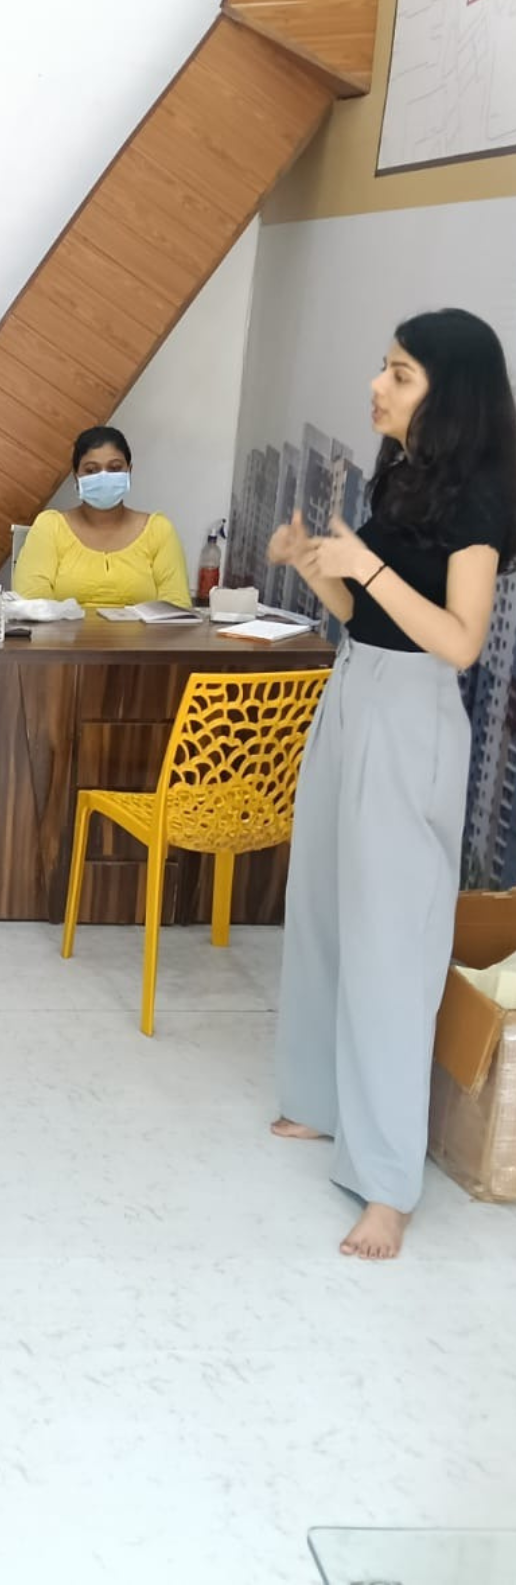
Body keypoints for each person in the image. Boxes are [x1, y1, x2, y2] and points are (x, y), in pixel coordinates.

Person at [268, 307, 516, 1261]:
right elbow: (363, 614)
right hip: (355, 690)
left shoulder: (482, 501)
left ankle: (387, 1185)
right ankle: (320, 1101)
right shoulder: (404, 474)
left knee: (390, 943)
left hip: (413, 717)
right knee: (325, 906)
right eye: (384, 367)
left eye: (400, 373)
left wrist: (363, 561)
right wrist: (312, 565)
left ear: (450, 393)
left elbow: (457, 641)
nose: (378, 384)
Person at [12, 426, 192, 608]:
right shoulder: (50, 527)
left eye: (115, 468)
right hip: (64, 628)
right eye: (91, 470)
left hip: (140, 628)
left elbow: (176, 607)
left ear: (129, 472)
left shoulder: (159, 530)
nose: (103, 477)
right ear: (76, 476)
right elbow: (32, 605)